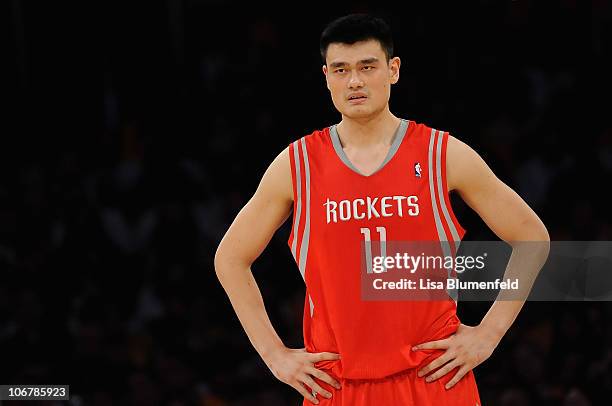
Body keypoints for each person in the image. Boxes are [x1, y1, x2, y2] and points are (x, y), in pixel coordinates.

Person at [214, 13, 550, 405]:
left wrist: (489, 333)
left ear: (393, 70)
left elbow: (532, 237)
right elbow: (230, 259)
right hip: (337, 386)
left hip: (433, 379)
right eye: (341, 70)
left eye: (367, 67)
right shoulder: (297, 165)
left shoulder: (442, 154)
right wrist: (274, 356)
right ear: (326, 77)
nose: (354, 81)